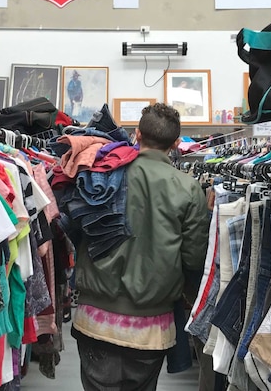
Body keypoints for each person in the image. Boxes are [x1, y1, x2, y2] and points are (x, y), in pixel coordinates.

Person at [71, 103, 210, 391]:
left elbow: (75, 228)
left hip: (96, 317)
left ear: (137, 134)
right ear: (175, 144)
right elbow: (194, 258)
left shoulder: (105, 174)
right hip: (150, 325)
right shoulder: (188, 188)